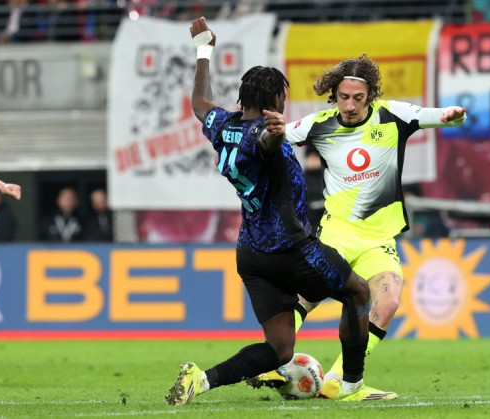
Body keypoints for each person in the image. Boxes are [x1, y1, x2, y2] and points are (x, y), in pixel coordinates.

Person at [164, 17, 396, 406]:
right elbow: (265, 146)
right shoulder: (263, 135)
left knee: (280, 347)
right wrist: (273, 135)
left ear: (244, 99)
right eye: (282, 100)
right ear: (274, 102)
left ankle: (200, 380)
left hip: (251, 256)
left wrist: (204, 49)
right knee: (357, 292)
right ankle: (352, 385)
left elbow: (199, 103)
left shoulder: (223, 126)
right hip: (290, 249)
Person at [249, 54, 467, 399]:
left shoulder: (393, 115)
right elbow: (270, 139)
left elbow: (439, 117)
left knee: (388, 302)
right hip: (336, 233)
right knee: (307, 297)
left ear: (370, 97)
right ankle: (272, 361)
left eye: (358, 98)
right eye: (343, 97)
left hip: (378, 240)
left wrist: (453, 116)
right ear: (334, 95)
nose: (349, 106)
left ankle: (339, 381)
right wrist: (254, 142)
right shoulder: (319, 124)